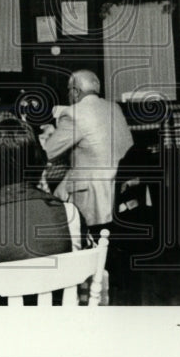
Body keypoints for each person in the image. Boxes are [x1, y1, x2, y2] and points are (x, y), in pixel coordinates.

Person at [0, 118, 86, 305]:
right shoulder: (71, 216)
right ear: (39, 163)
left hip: (1, 333)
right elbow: (85, 280)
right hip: (62, 330)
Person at [39, 69, 133, 235]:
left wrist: (50, 133)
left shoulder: (72, 113)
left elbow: (46, 152)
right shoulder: (115, 108)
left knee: (48, 201)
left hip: (94, 196)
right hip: (122, 188)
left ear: (75, 92)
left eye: (69, 90)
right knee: (62, 185)